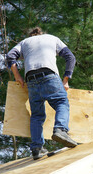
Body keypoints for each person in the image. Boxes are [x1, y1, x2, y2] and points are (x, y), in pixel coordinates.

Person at [7, 27, 78, 160]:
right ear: (41, 34)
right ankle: (60, 130)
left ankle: (36, 148)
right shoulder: (52, 38)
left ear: (31, 35)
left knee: (37, 116)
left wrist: (18, 77)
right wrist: (66, 80)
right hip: (49, 75)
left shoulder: (24, 43)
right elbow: (70, 57)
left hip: (31, 80)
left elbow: (10, 56)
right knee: (61, 102)